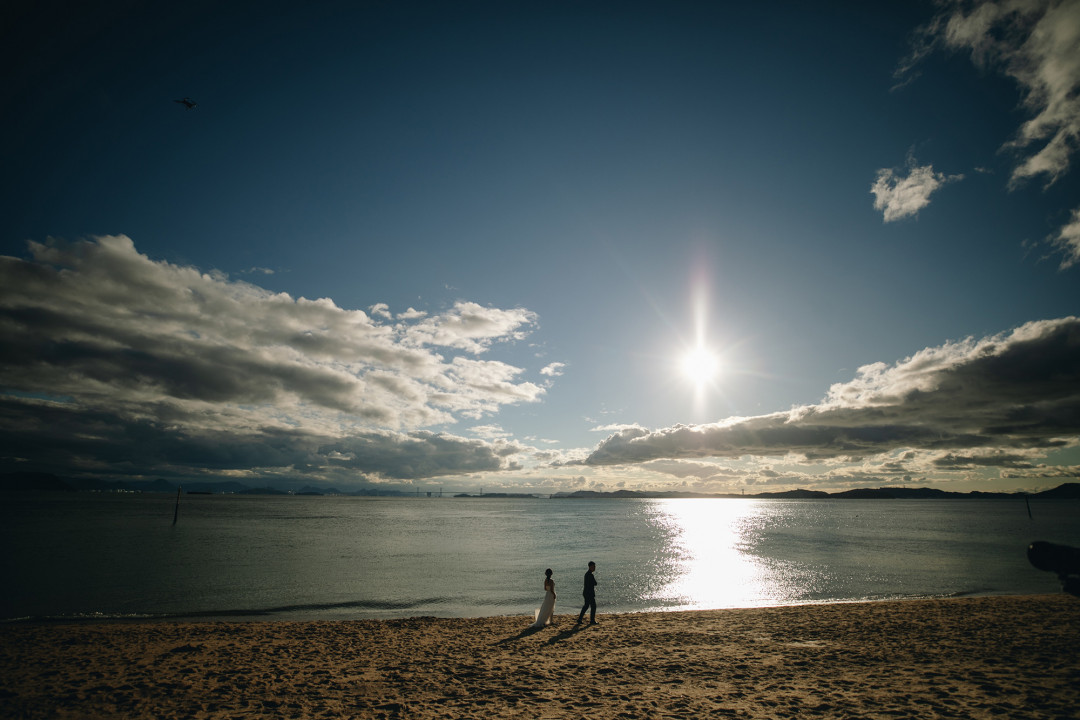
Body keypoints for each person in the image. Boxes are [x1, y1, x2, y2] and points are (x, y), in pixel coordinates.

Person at [576, 561, 597, 625]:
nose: (594, 568)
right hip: (589, 593)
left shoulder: (587, 574)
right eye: (593, 566)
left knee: (586, 606)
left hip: (586, 592)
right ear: (590, 567)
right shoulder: (590, 575)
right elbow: (595, 583)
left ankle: (580, 619)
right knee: (593, 606)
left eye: (594, 566)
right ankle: (592, 620)